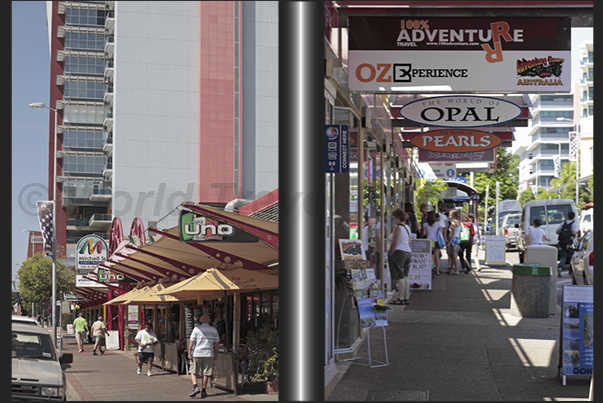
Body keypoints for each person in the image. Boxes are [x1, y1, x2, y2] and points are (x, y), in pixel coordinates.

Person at [188, 314, 220, 398]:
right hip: (209, 353)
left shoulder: (196, 329)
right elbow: (217, 343)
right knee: (206, 372)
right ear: (209, 321)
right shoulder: (213, 330)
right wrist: (216, 353)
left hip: (197, 353)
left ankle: (195, 386)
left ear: (201, 321)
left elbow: (191, 342)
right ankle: (204, 390)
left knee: (193, 371)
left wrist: (189, 352)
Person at [387, 209, 413, 306]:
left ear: (398, 218)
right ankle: (406, 297)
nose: (393, 220)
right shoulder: (407, 228)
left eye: (394, 218)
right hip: (407, 252)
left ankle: (400, 298)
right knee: (405, 276)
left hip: (399, 252)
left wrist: (390, 253)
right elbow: (409, 242)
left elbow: (395, 243)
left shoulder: (398, 228)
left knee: (399, 277)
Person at [556, 211, 578, 277]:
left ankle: (560, 268)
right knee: (571, 256)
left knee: (563, 256)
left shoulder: (563, 223)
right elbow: (574, 233)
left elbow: (557, 231)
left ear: (567, 217)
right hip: (570, 243)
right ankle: (571, 271)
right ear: (573, 217)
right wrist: (572, 237)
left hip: (563, 243)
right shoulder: (573, 224)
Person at [424, 211, 442, 275]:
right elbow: (441, 231)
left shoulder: (425, 224)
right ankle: (437, 270)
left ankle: (430, 269)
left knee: (429, 255)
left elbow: (424, 233)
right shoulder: (437, 224)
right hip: (436, 241)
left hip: (428, 241)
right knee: (436, 256)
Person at [446, 210, 461, 274]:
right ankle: (451, 269)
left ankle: (456, 270)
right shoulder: (458, 222)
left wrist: (449, 242)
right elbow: (460, 231)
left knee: (454, 255)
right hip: (457, 238)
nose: (449, 216)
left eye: (450, 215)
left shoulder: (453, 222)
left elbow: (453, 233)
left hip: (454, 238)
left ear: (452, 215)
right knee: (453, 254)